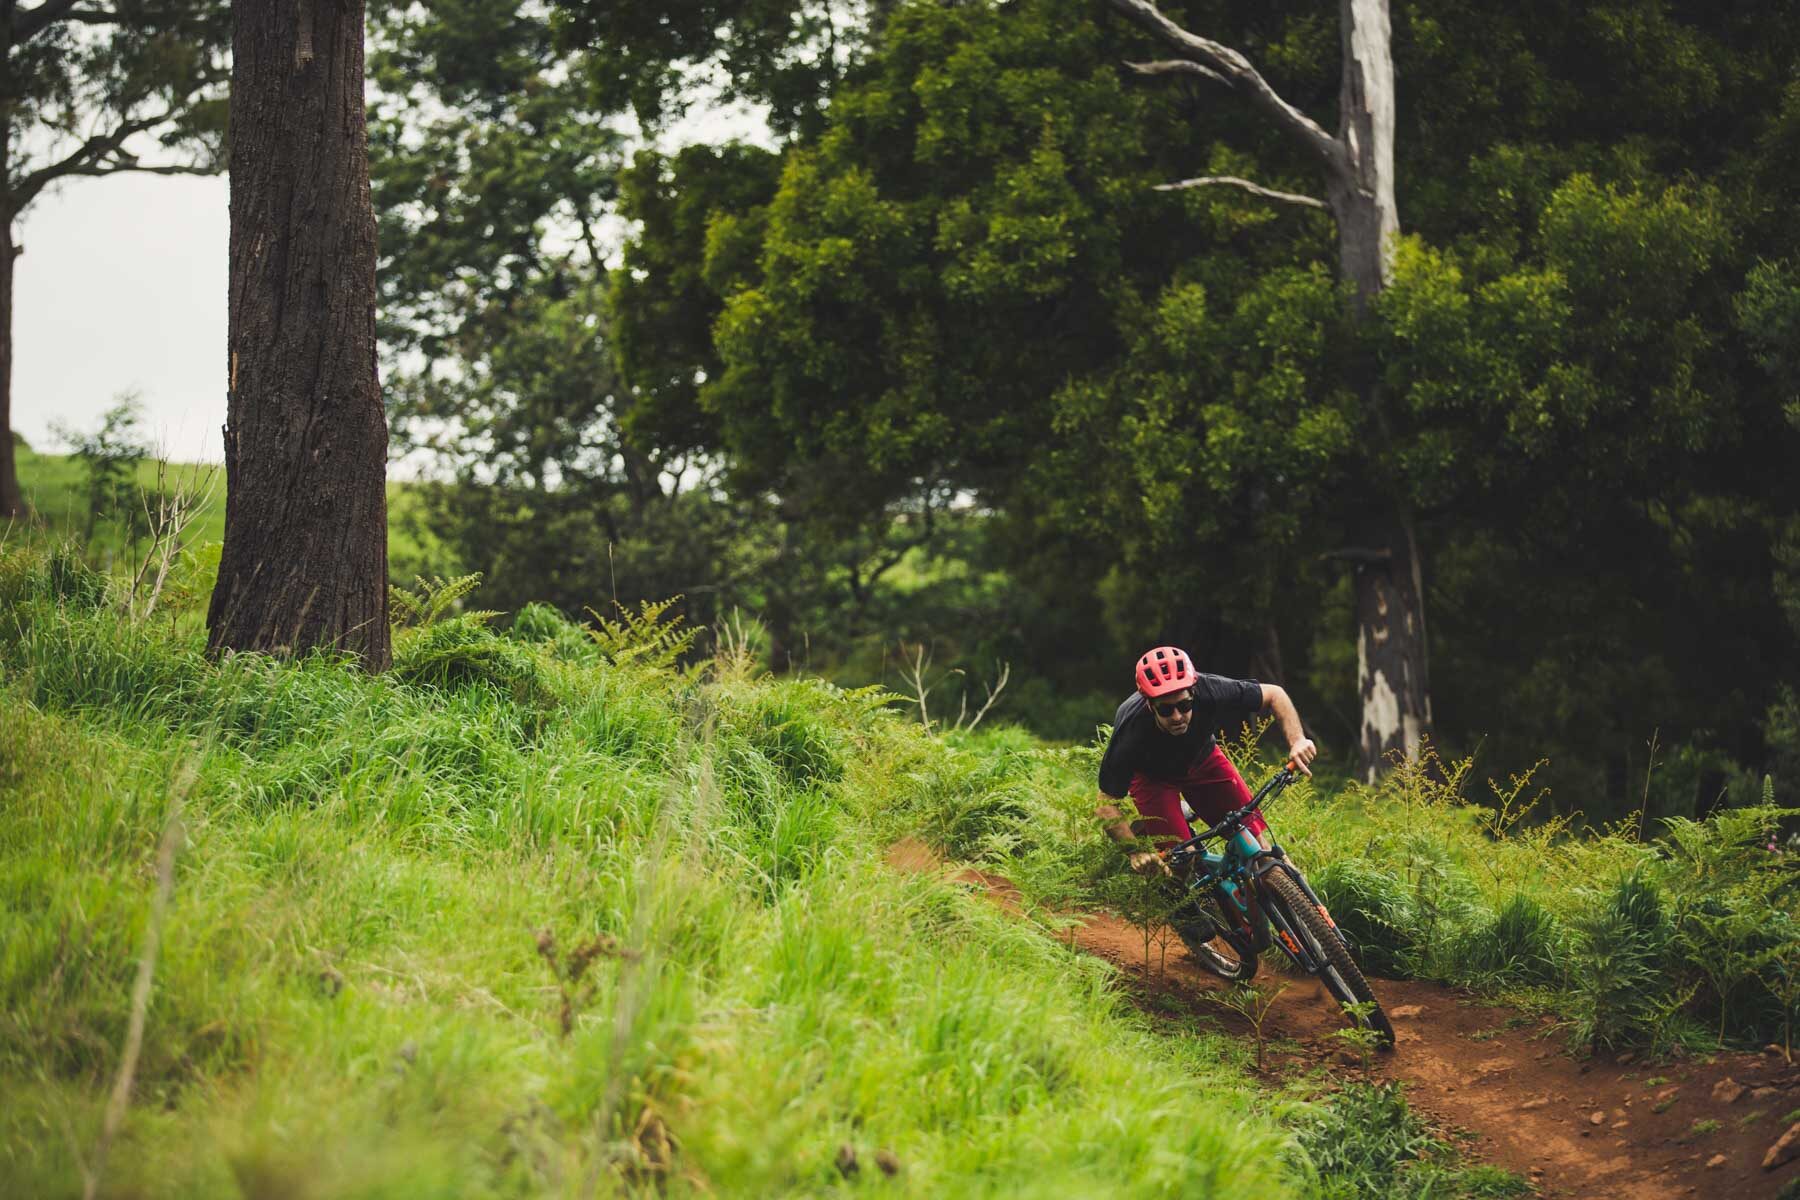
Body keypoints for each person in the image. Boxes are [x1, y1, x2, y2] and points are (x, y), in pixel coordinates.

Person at [1095, 645, 1318, 955]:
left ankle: (1316, 935)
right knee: (1181, 857)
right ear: (1149, 704)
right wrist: (1133, 853)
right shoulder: (1130, 730)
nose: (1177, 716)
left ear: (1193, 690)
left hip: (1203, 761)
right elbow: (1105, 803)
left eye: (1185, 705)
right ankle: (1178, 900)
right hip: (1153, 780)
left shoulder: (1210, 688)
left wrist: (1297, 741)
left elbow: (1275, 695)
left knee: (1260, 847)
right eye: (1165, 709)